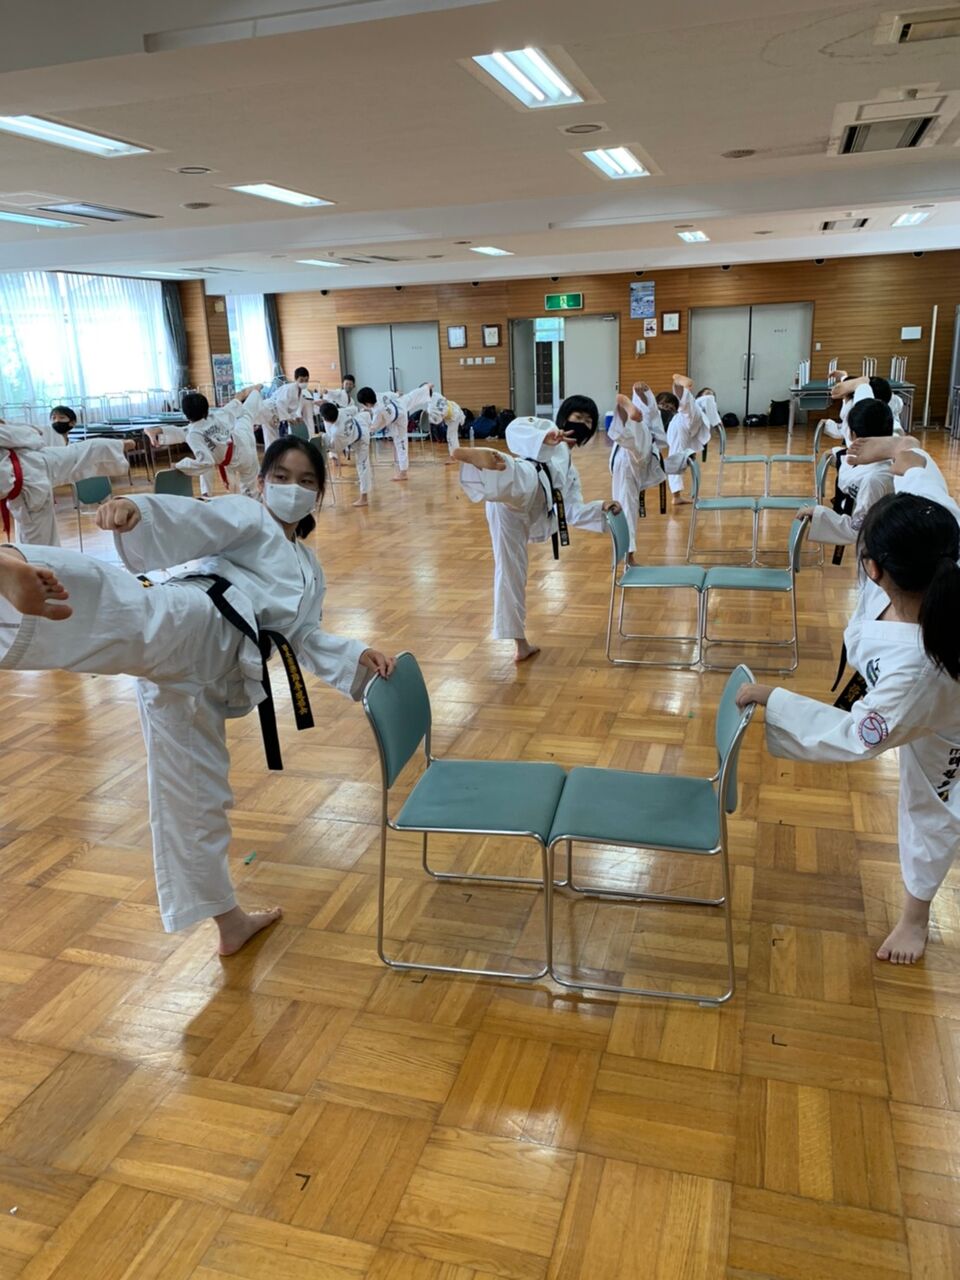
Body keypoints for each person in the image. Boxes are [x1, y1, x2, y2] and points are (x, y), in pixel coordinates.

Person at [0, 436, 395, 955]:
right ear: (261, 484)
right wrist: (138, 512)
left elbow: (303, 637)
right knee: (132, 612)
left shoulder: (310, 568)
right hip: (202, 620)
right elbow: (199, 519)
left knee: (194, 794)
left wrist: (358, 655)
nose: (292, 489)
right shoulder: (248, 517)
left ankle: (227, 919)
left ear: (318, 495)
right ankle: (13, 564)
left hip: (212, 679)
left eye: (305, 481)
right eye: (281, 477)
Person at [736, 448, 960, 965]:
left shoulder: (917, 670)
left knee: (932, 807)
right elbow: (917, 466)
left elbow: (857, 736)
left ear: (874, 568)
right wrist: (890, 449)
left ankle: (915, 919)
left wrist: (777, 700)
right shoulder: (936, 532)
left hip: (946, 721)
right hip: (918, 688)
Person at [453, 395, 620, 662]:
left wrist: (601, 506)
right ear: (564, 418)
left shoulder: (572, 472)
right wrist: (546, 437)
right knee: (524, 475)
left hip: (524, 509)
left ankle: (520, 644)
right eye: (577, 417)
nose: (582, 424)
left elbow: (573, 511)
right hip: (522, 486)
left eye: (589, 421)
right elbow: (513, 428)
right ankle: (491, 463)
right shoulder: (547, 430)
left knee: (512, 570)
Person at [1, 419, 134, 545]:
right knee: (38, 545)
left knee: (79, 454)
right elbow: (32, 436)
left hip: (31, 461)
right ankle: (116, 446)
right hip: (28, 484)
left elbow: (35, 437)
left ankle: (116, 446)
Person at [803, 397, 895, 546]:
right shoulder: (876, 462)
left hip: (878, 547)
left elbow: (859, 530)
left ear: (853, 435)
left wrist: (819, 514)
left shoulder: (874, 480)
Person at [609, 384, 685, 562]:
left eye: (671, 408)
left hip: (639, 456)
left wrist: (684, 460)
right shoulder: (645, 418)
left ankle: (627, 556)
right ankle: (627, 557)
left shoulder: (655, 422)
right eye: (664, 405)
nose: (667, 410)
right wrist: (638, 395)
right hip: (626, 462)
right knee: (626, 508)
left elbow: (657, 465)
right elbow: (646, 408)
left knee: (629, 508)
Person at [148, 386, 263, 498]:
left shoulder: (193, 434)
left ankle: (255, 392)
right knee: (246, 414)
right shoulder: (216, 416)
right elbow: (236, 401)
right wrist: (158, 430)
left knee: (249, 493)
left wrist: (180, 465)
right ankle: (256, 391)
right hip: (241, 438)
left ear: (186, 415)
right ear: (207, 409)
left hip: (240, 457)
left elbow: (206, 462)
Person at [356, 383, 433, 480]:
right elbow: (388, 395)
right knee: (411, 397)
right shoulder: (378, 395)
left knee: (401, 443)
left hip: (399, 419)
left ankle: (403, 473)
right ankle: (426, 388)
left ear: (367, 403)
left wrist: (366, 429)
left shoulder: (377, 411)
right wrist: (396, 394)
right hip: (399, 403)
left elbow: (374, 427)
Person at [656, 376, 709, 506]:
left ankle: (680, 495)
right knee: (676, 459)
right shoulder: (686, 404)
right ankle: (676, 496)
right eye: (664, 406)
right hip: (679, 429)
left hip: (685, 429)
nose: (667, 408)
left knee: (685, 459)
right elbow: (685, 388)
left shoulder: (695, 405)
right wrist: (677, 380)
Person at [318, 399, 371, 507]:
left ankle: (364, 497)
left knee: (362, 466)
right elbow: (354, 409)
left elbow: (336, 449)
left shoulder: (337, 432)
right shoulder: (341, 411)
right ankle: (364, 494)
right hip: (359, 426)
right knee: (362, 466)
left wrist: (324, 439)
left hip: (362, 439)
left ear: (325, 419)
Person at [262, 367, 314, 449]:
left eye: (306, 380)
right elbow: (280, 403)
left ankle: (275, 455)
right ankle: (270, 456)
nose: (304, 382)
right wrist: (288, 418)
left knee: (275, 440)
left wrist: (295, 417)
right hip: (269, 411)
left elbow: (290, 408)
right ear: (295, 379)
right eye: (301, 380)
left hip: (275, 415)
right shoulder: (289, 388)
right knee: (271, 440)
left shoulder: (300, 392)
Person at [421, 393, 465, 460]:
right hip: (454, 408)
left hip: (454, 415)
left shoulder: (432, 407)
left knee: (451, 437)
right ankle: (454, 455)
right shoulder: (436, 395)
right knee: (451, 436)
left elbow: (438, 421)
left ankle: (455, 456)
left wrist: (430, 419)